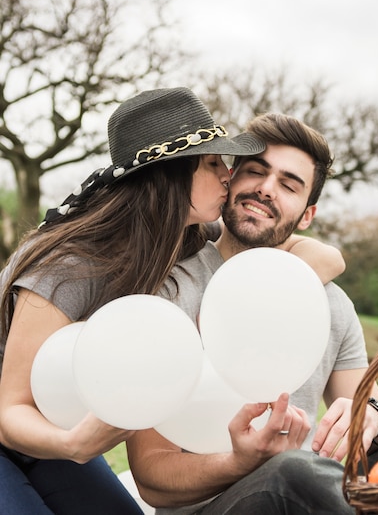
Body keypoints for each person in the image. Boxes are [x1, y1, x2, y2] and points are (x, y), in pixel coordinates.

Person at [0, 86, 269, 515]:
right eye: (213, 162)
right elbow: (9, 409)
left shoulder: (183, 240)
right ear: (172, 173)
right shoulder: (70, 265)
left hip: (51, 428)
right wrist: (71, 445)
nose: (228, 175)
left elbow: (296, 255)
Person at [127, 112, 378, 515]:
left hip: (319, 496)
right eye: (255, 171)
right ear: (229, 181)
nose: (267, 189)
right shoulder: (169, 288)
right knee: (290, 471)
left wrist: (371, 418)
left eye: (289, 185)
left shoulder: (330, 302)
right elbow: (151, 477)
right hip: (222, 505)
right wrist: (242, 462)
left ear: (307, 215)